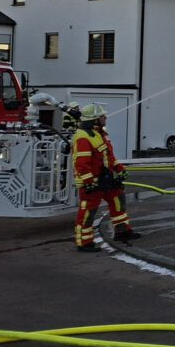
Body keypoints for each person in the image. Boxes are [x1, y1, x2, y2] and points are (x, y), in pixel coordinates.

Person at [72, 104, 140, 252]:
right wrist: (89, 182)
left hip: (106, 179)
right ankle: (84, 243)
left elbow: (109, 157)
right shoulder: (83, 137)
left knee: (118, 201)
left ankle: (122, 232)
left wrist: (119, 169)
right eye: (102, 116)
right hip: (92, 182)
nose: (105, 117)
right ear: (95, 119)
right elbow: (82, 164)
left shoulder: (100, 134)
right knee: (88, 212)